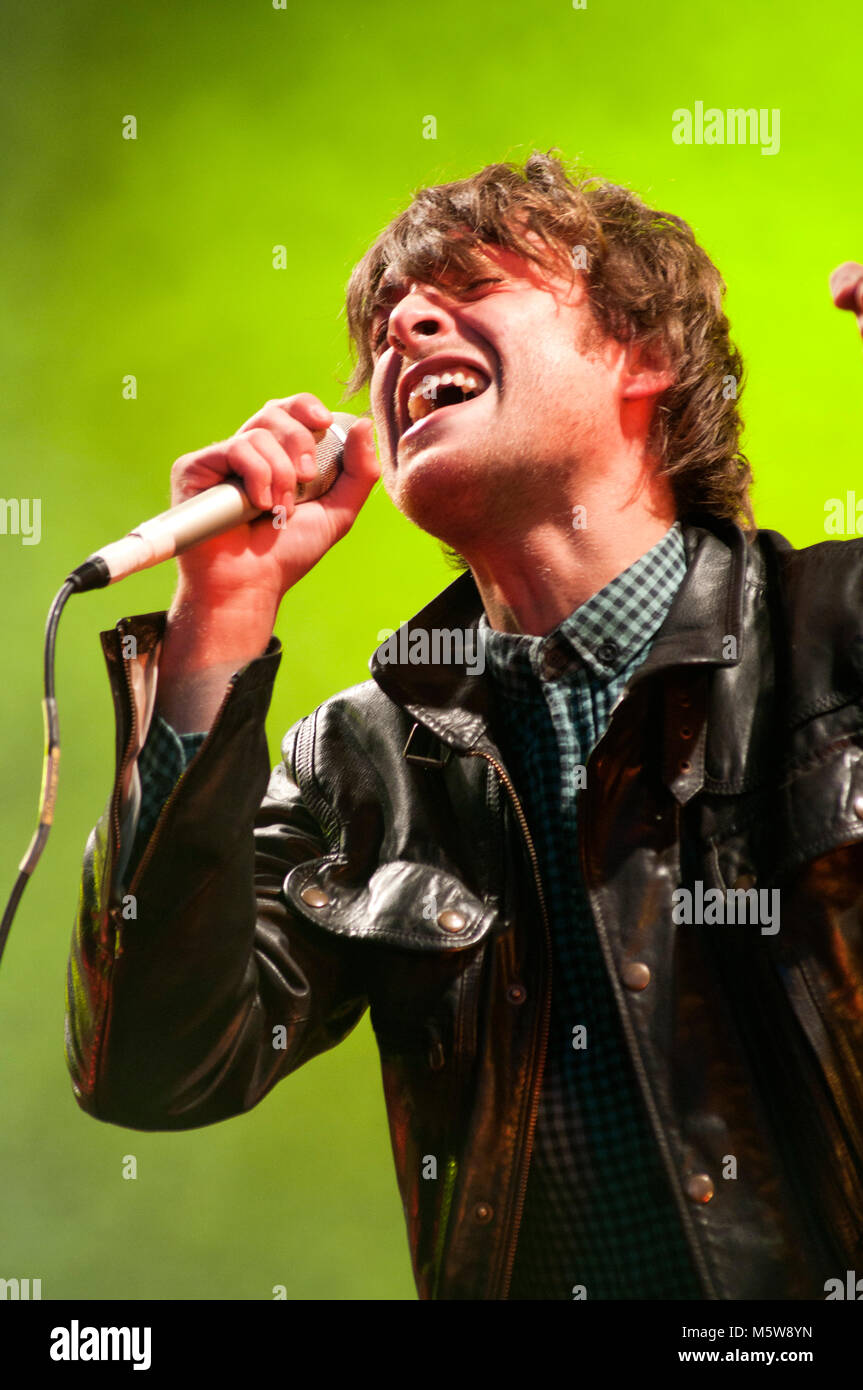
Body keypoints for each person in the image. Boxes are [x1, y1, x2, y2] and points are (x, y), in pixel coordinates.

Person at [66, 151, 863, 1301]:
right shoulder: (361, 762)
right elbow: (155, 1067)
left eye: (470, 286)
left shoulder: (832, 629)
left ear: (644, 354)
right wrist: (218, 621)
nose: (401, 327)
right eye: (385, 326)